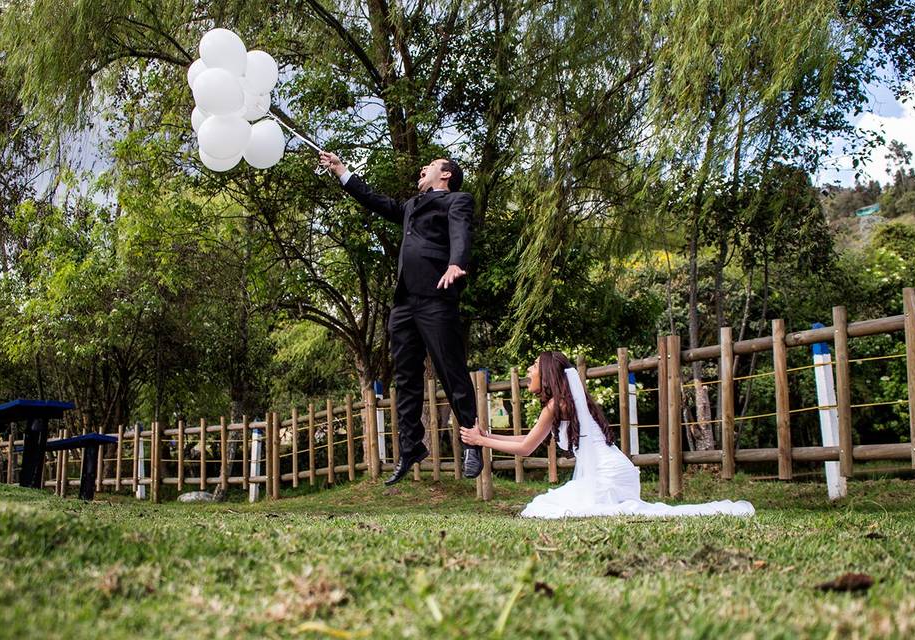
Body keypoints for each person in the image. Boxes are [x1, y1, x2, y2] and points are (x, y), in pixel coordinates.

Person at [318, 151, 484, 485]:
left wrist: (457, 262)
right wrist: (341, 171)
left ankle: (472, 441)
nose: (423, 168)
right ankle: (411, 447)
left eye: (431, 166)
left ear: (446, 175)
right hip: (405, 302)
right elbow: (376, 201)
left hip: (437, 294)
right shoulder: (410, 206)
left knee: (450, 369)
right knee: (405, 376)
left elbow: (461, 232)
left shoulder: (457, 201)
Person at [461, 351, 755, 518]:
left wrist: (480, 441)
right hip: (616, 471)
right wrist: (485, 436)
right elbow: (530, 439)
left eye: (534, 365)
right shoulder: (562, 403)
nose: (528, 369)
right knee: (548, 506)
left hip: (608, 475)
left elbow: (525, 448)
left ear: (548, 373)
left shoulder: (557, 404)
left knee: (544, 508)